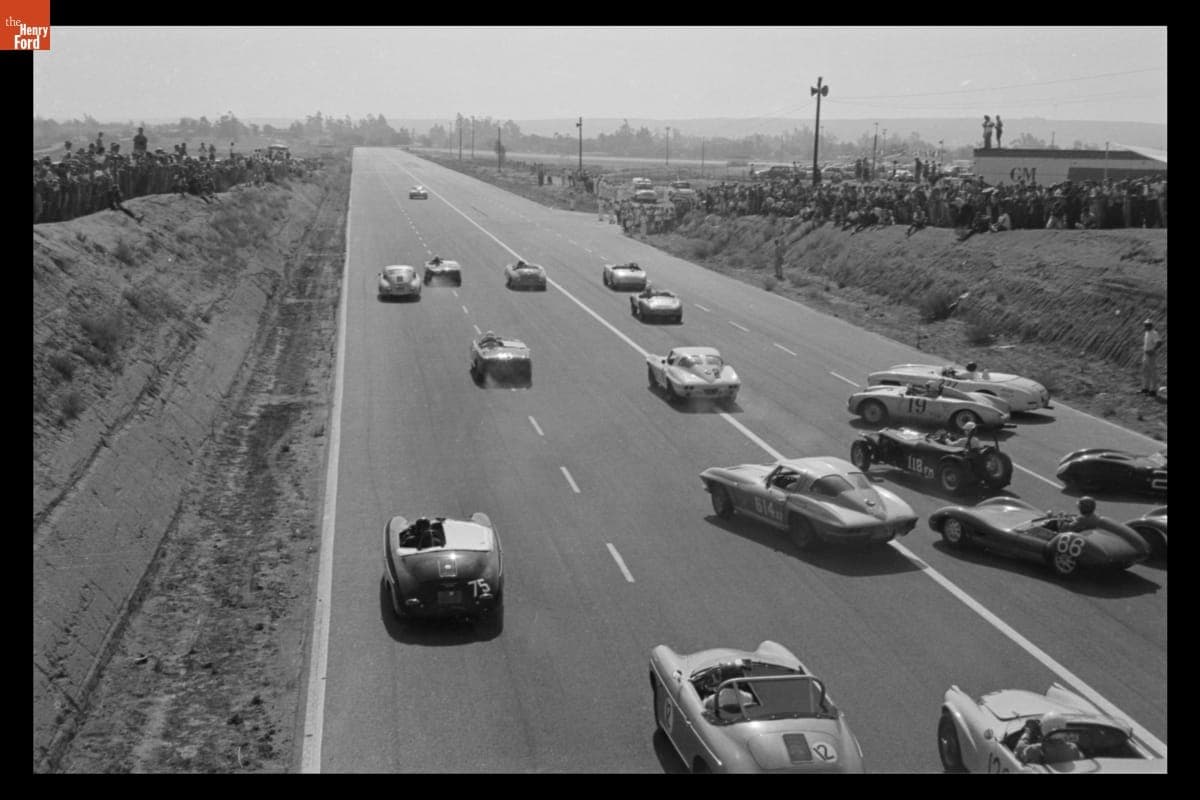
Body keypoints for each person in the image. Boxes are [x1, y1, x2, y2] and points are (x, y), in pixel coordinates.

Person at [1141, 319, 1163, 396]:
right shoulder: (1147, 333)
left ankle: (1153, 390)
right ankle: (1145, 388)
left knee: (1153, 372)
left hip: (1151, 355)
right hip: (1146, 354)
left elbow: (1159, 342)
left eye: (1148, 325)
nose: (1146, 326)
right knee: (1145, 371)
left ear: (1151, 325)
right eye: (1145, 325)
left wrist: (1152, 350)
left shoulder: (1154, 333)